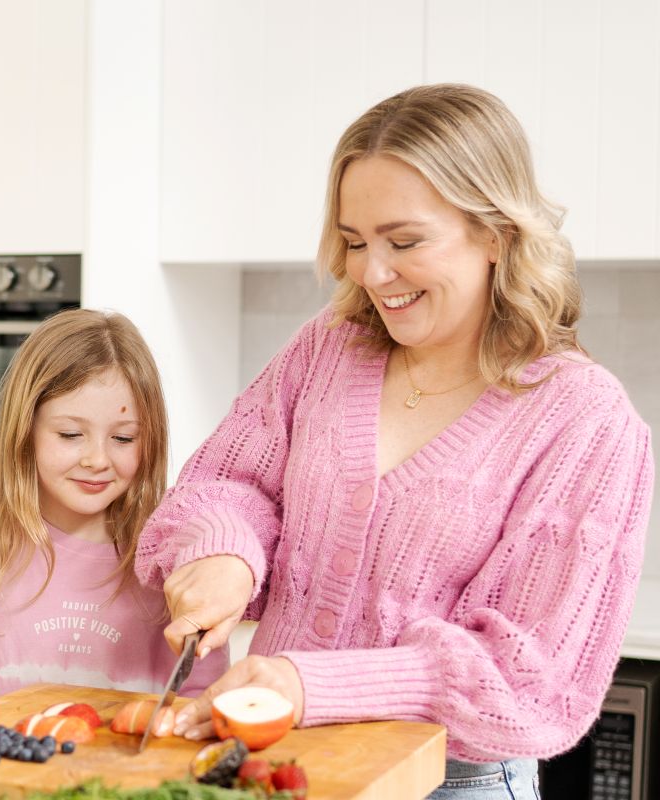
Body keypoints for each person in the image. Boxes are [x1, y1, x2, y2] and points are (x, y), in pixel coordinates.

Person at [135, 84, 654, 797]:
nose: (369, 273)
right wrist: (225, 551)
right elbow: (233, 483)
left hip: (450, 781)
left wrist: (312, 683)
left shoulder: (584, 420)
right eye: (353, 242)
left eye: (404, 242)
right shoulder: (327, 349)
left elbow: (533, 674)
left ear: (496, 234)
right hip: (272, 762)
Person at [0, 308, 228, 720]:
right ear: (26, 430)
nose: (97, 459)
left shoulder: (175, 554)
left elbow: (205, 701)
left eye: (123, 438)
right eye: (71, 435)